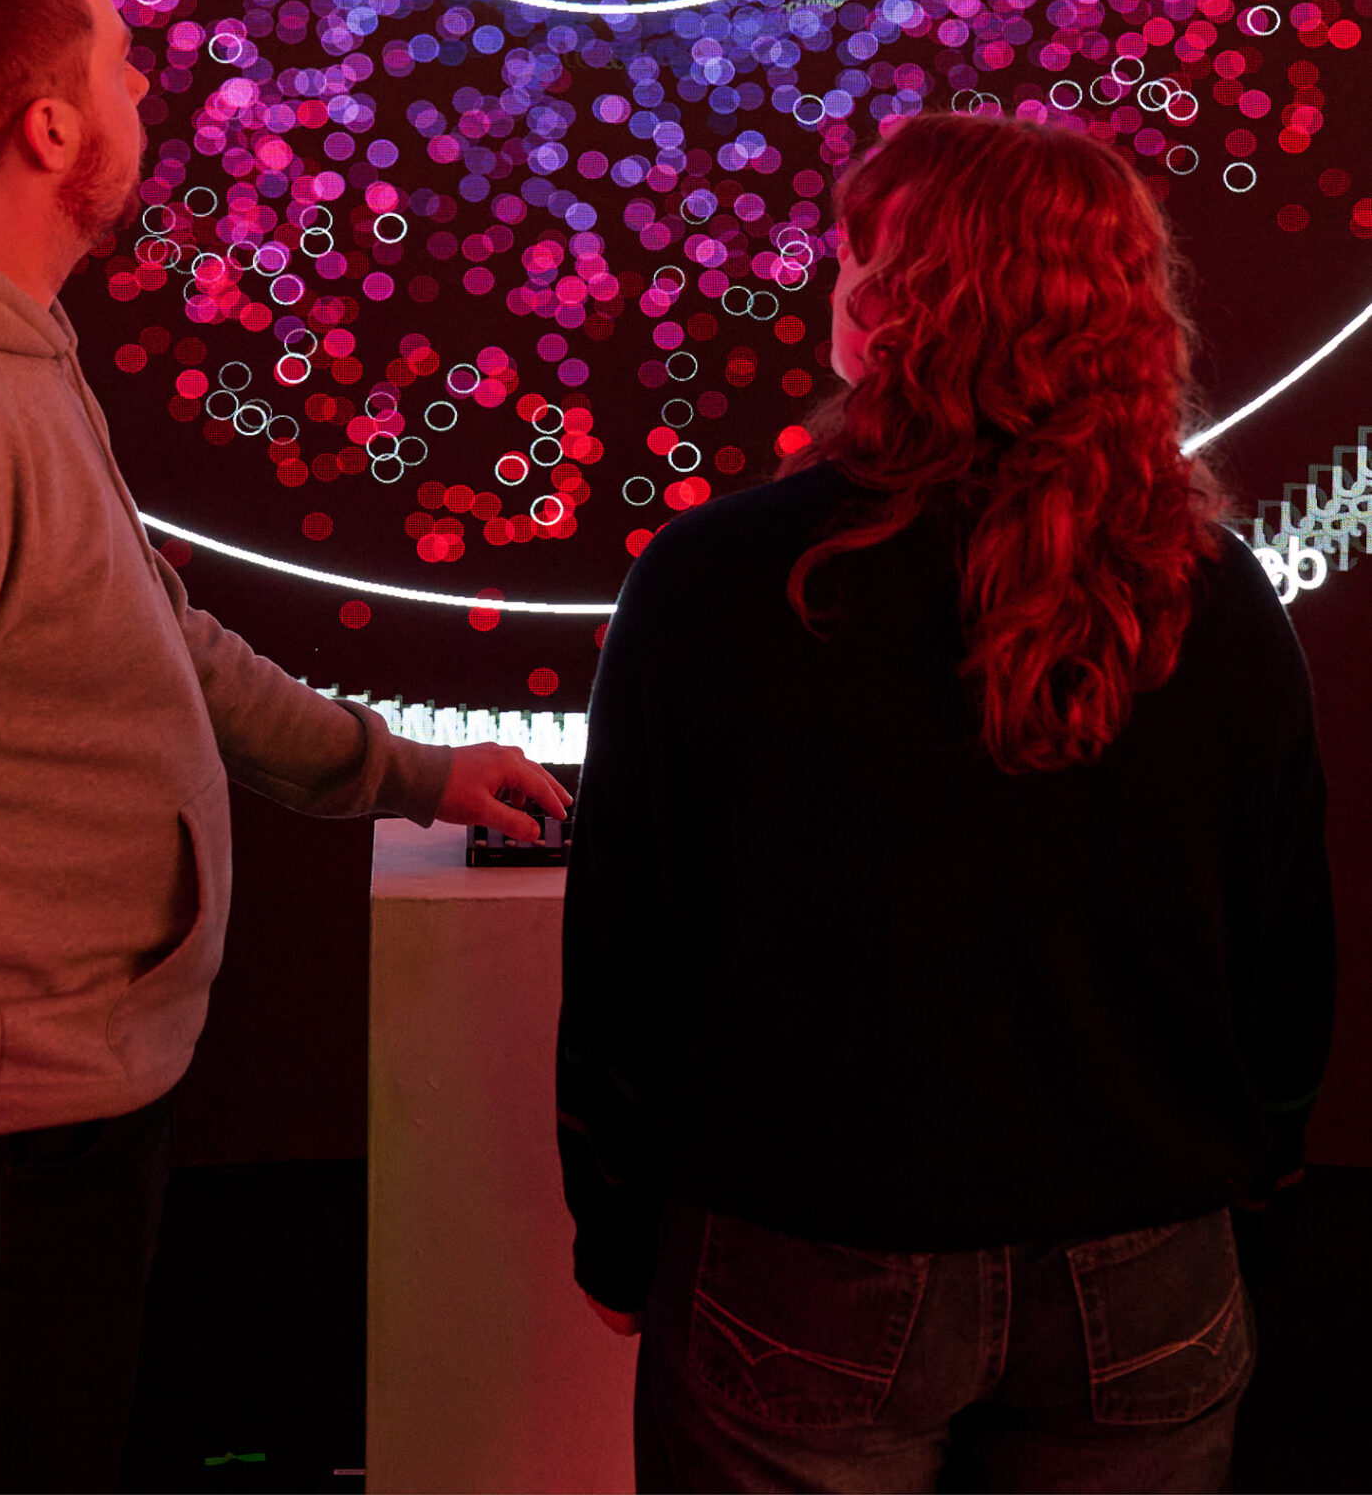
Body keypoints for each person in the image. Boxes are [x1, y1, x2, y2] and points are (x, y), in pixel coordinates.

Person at [0, 0, 584, 1494]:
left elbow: (161, 646)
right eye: (120, 58)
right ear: (49, 126)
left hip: (56, 1128)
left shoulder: (1, 367)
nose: (147, 87)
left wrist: (416, 775)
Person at [556, 107, 1334, 1494]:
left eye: (855, 259)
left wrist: (614, 1225)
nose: (829, 288)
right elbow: (1282, 963)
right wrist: (1252, 1199)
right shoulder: (1217, 600)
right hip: (1151, 1261)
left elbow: (632, 960)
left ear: (897, 306)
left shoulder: (715, 584)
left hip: (804, 1262)